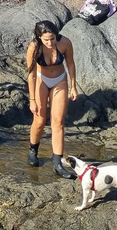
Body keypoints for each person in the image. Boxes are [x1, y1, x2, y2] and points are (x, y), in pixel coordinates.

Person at [26, 20, 78, 179]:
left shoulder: (65, 43)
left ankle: (57, 163)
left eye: (53, 38)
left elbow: (70, 63)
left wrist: (73, 86)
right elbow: (32, 74)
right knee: (40, 121)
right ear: (39, 37)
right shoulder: (34, 47)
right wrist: (32, 100)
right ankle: (33, 150)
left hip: (59, 81)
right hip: (41, 80)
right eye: (46, 39)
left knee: (58, 122)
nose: (50, 42)